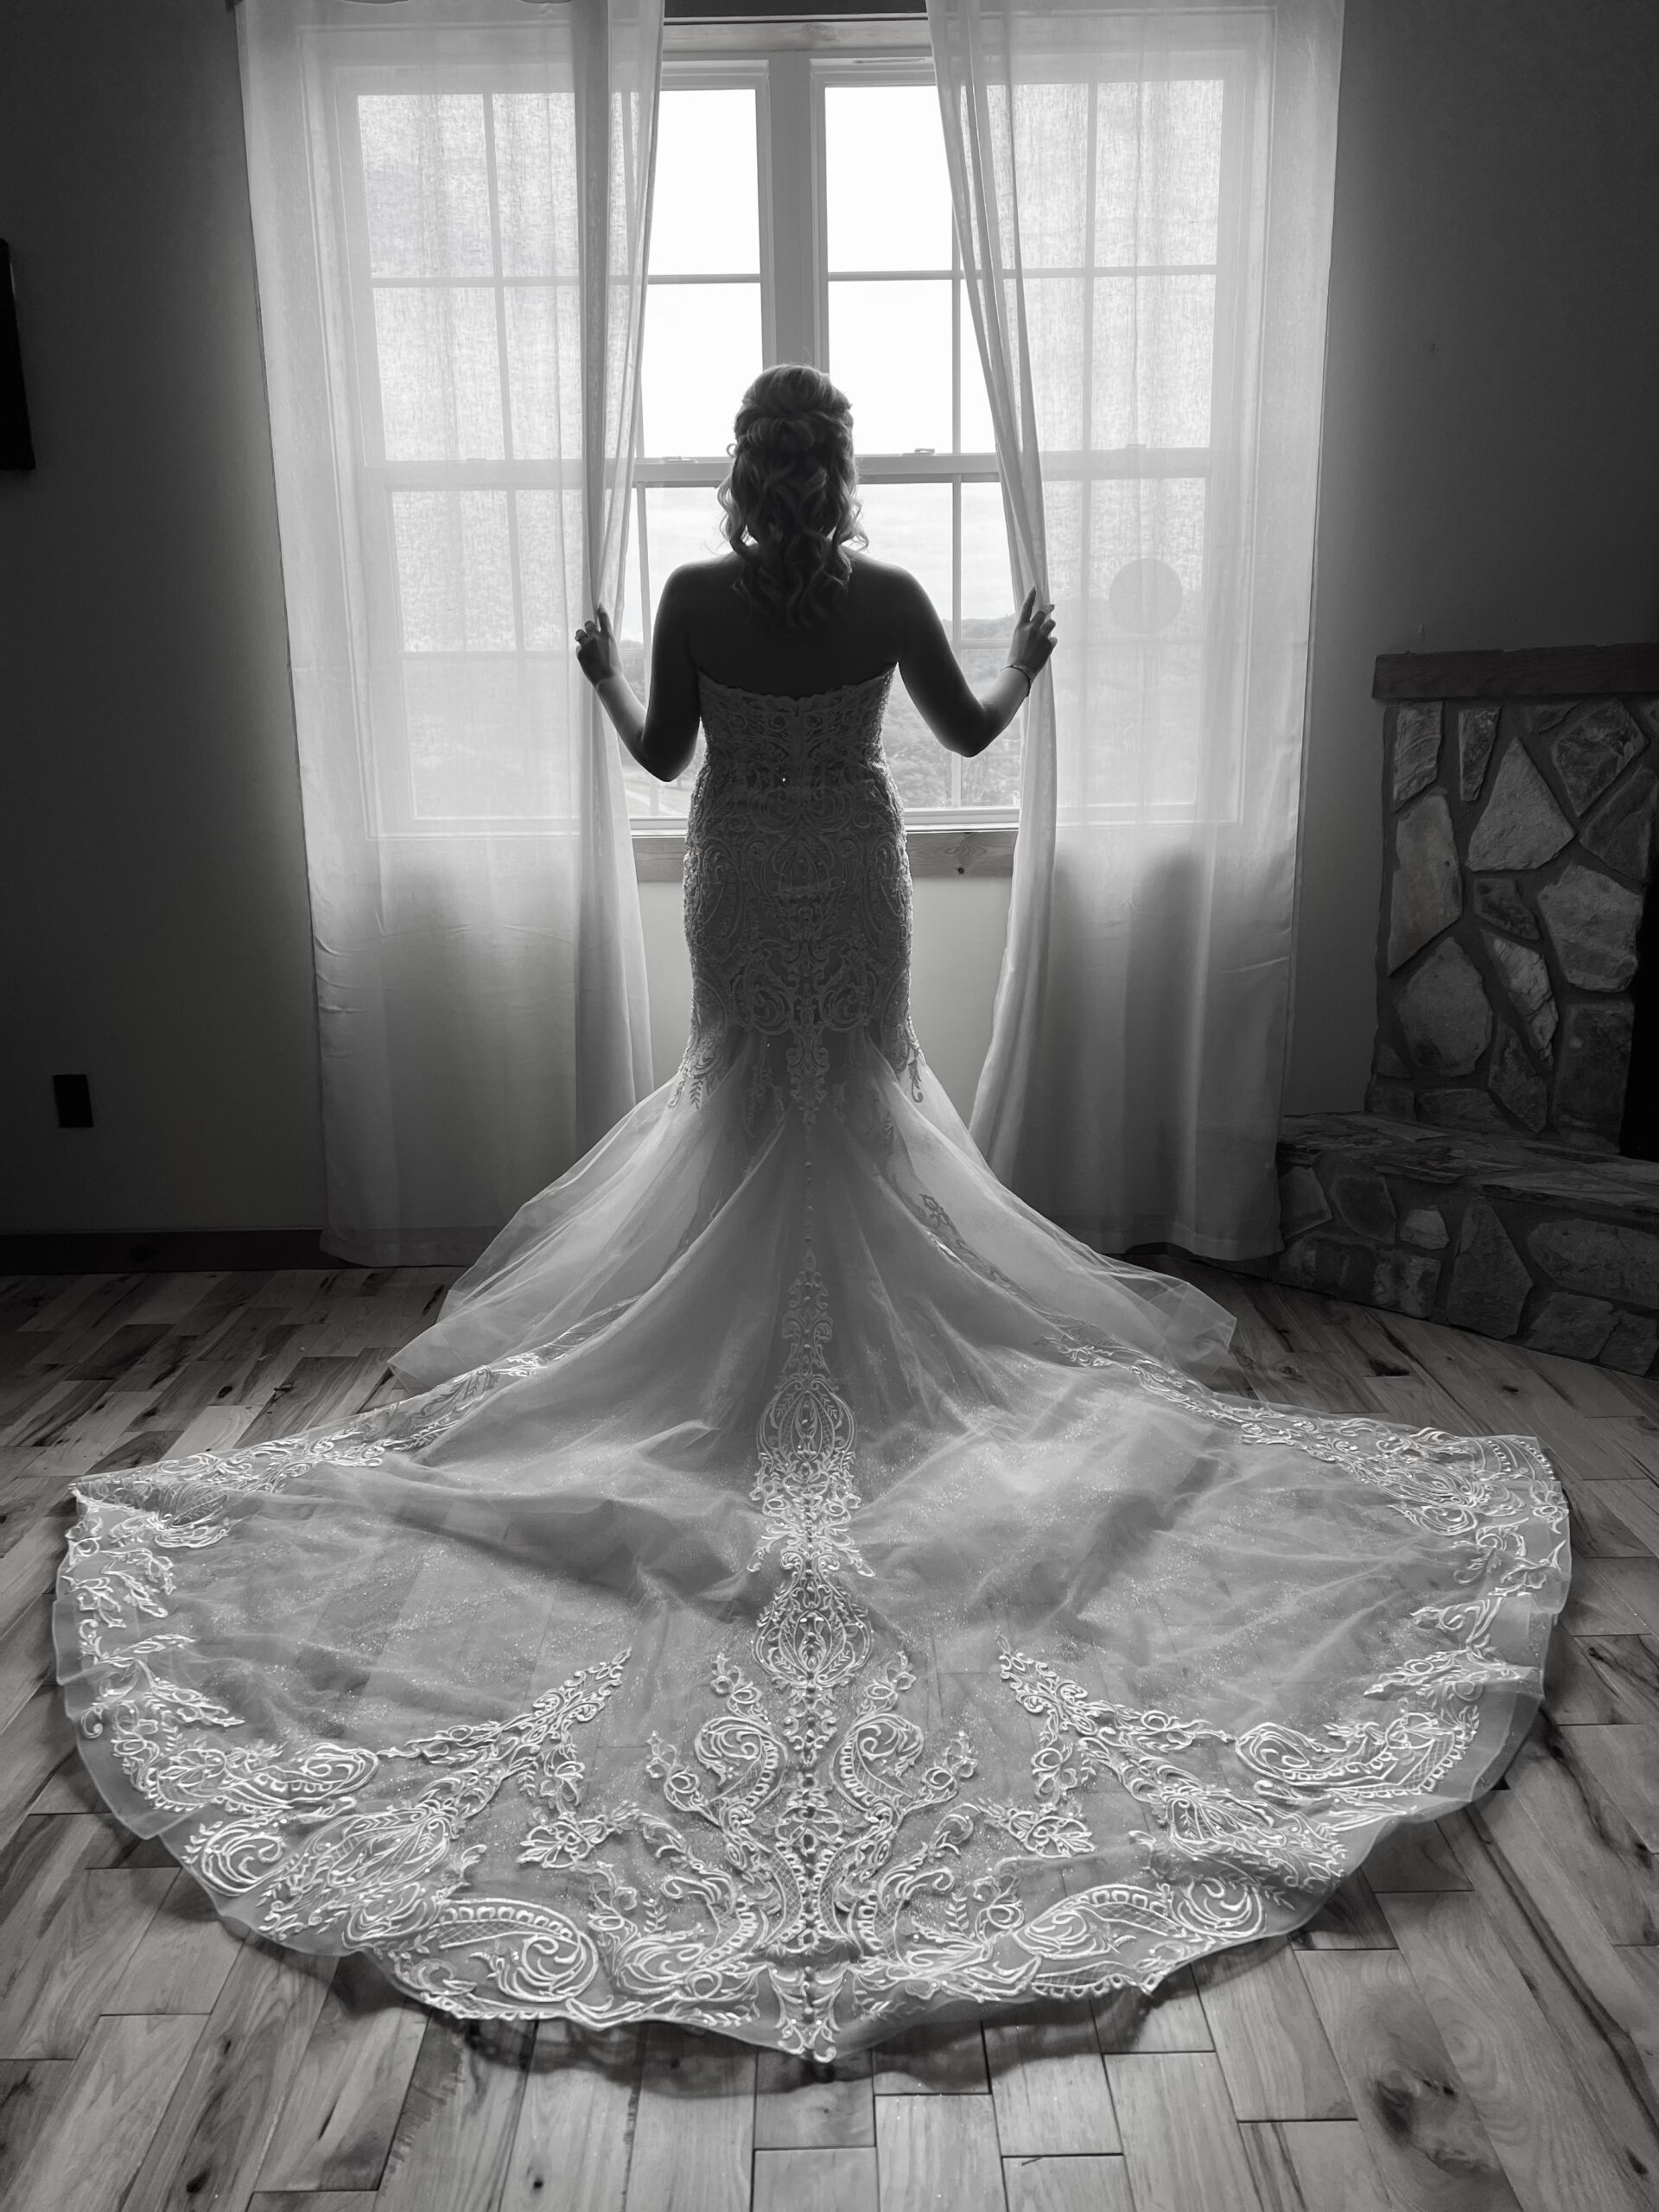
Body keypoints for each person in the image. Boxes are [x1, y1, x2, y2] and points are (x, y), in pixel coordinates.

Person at [56, 364, 1567, 2063]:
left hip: (743, 871)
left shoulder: (698, 594)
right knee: (853, 1091)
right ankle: (859, 1370)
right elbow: (977, 737)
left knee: (748, 1090)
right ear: (834, 477)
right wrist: (1030, 661)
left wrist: (604, 676)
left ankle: (719, 1366)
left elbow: (661, 753)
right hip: (849, 866)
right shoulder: (899, 593)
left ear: (739, 482)